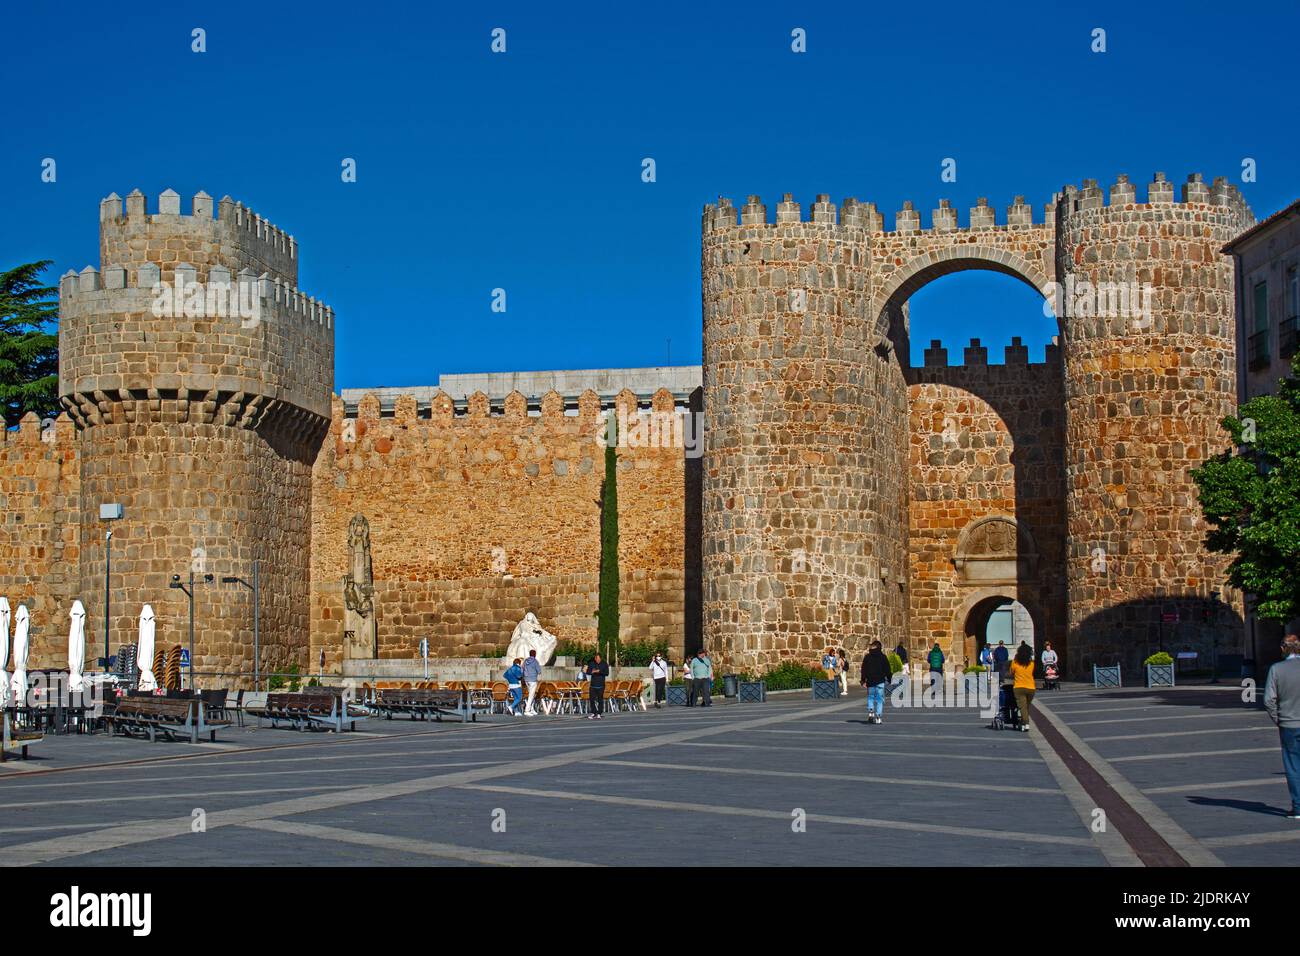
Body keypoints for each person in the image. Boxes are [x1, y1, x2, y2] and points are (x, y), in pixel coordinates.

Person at [1263, 632, 1300, 820]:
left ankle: (1298, 807)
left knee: (1293, 765)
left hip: (1289, 723)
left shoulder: (1276, 669)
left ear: (1283, 649)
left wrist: (1279, 718)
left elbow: (1269, 700)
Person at [860, 640, 891, 724]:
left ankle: (871, 711)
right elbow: (887, 669)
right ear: (880, 647)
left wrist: (863, 680)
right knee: (879, 700)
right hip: (880, 681)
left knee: (870, 697)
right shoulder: (883, 657)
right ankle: (878, 717)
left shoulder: (867, 657)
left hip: (870, 681)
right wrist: (889, 678)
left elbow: (864, 670)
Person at [1009, 641, 1037, 732]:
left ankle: (1026, 722)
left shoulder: (1015, 663)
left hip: (1019, 687)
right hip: (1031, 688)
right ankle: (1023, 722)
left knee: (1022, 707)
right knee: (1026, 707)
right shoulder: (1031, 664)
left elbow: (1011, 673)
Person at [584, 653, 610, 719]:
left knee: (600, 699)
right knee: (592, 699)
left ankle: (599, 713)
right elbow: (588, 672)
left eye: (598, 658)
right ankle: (594, 712)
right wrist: (592, 672)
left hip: (601, 685)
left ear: (600, 658)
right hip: (593, 685)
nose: (597, 660)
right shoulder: (592, 663)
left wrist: (599, 671)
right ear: (595, 658)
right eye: (596, 658)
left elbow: (607, 673)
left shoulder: (604, 664)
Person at [522, 648, 542, 716]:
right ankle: (527, 710)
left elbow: (522, 669)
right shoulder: (535, 661)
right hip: (533, 680)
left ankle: (532, 709)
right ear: (535, 655)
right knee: (531, 695)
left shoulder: (525, 661)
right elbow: (539, 671)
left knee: (532, 695)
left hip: (526, 679)